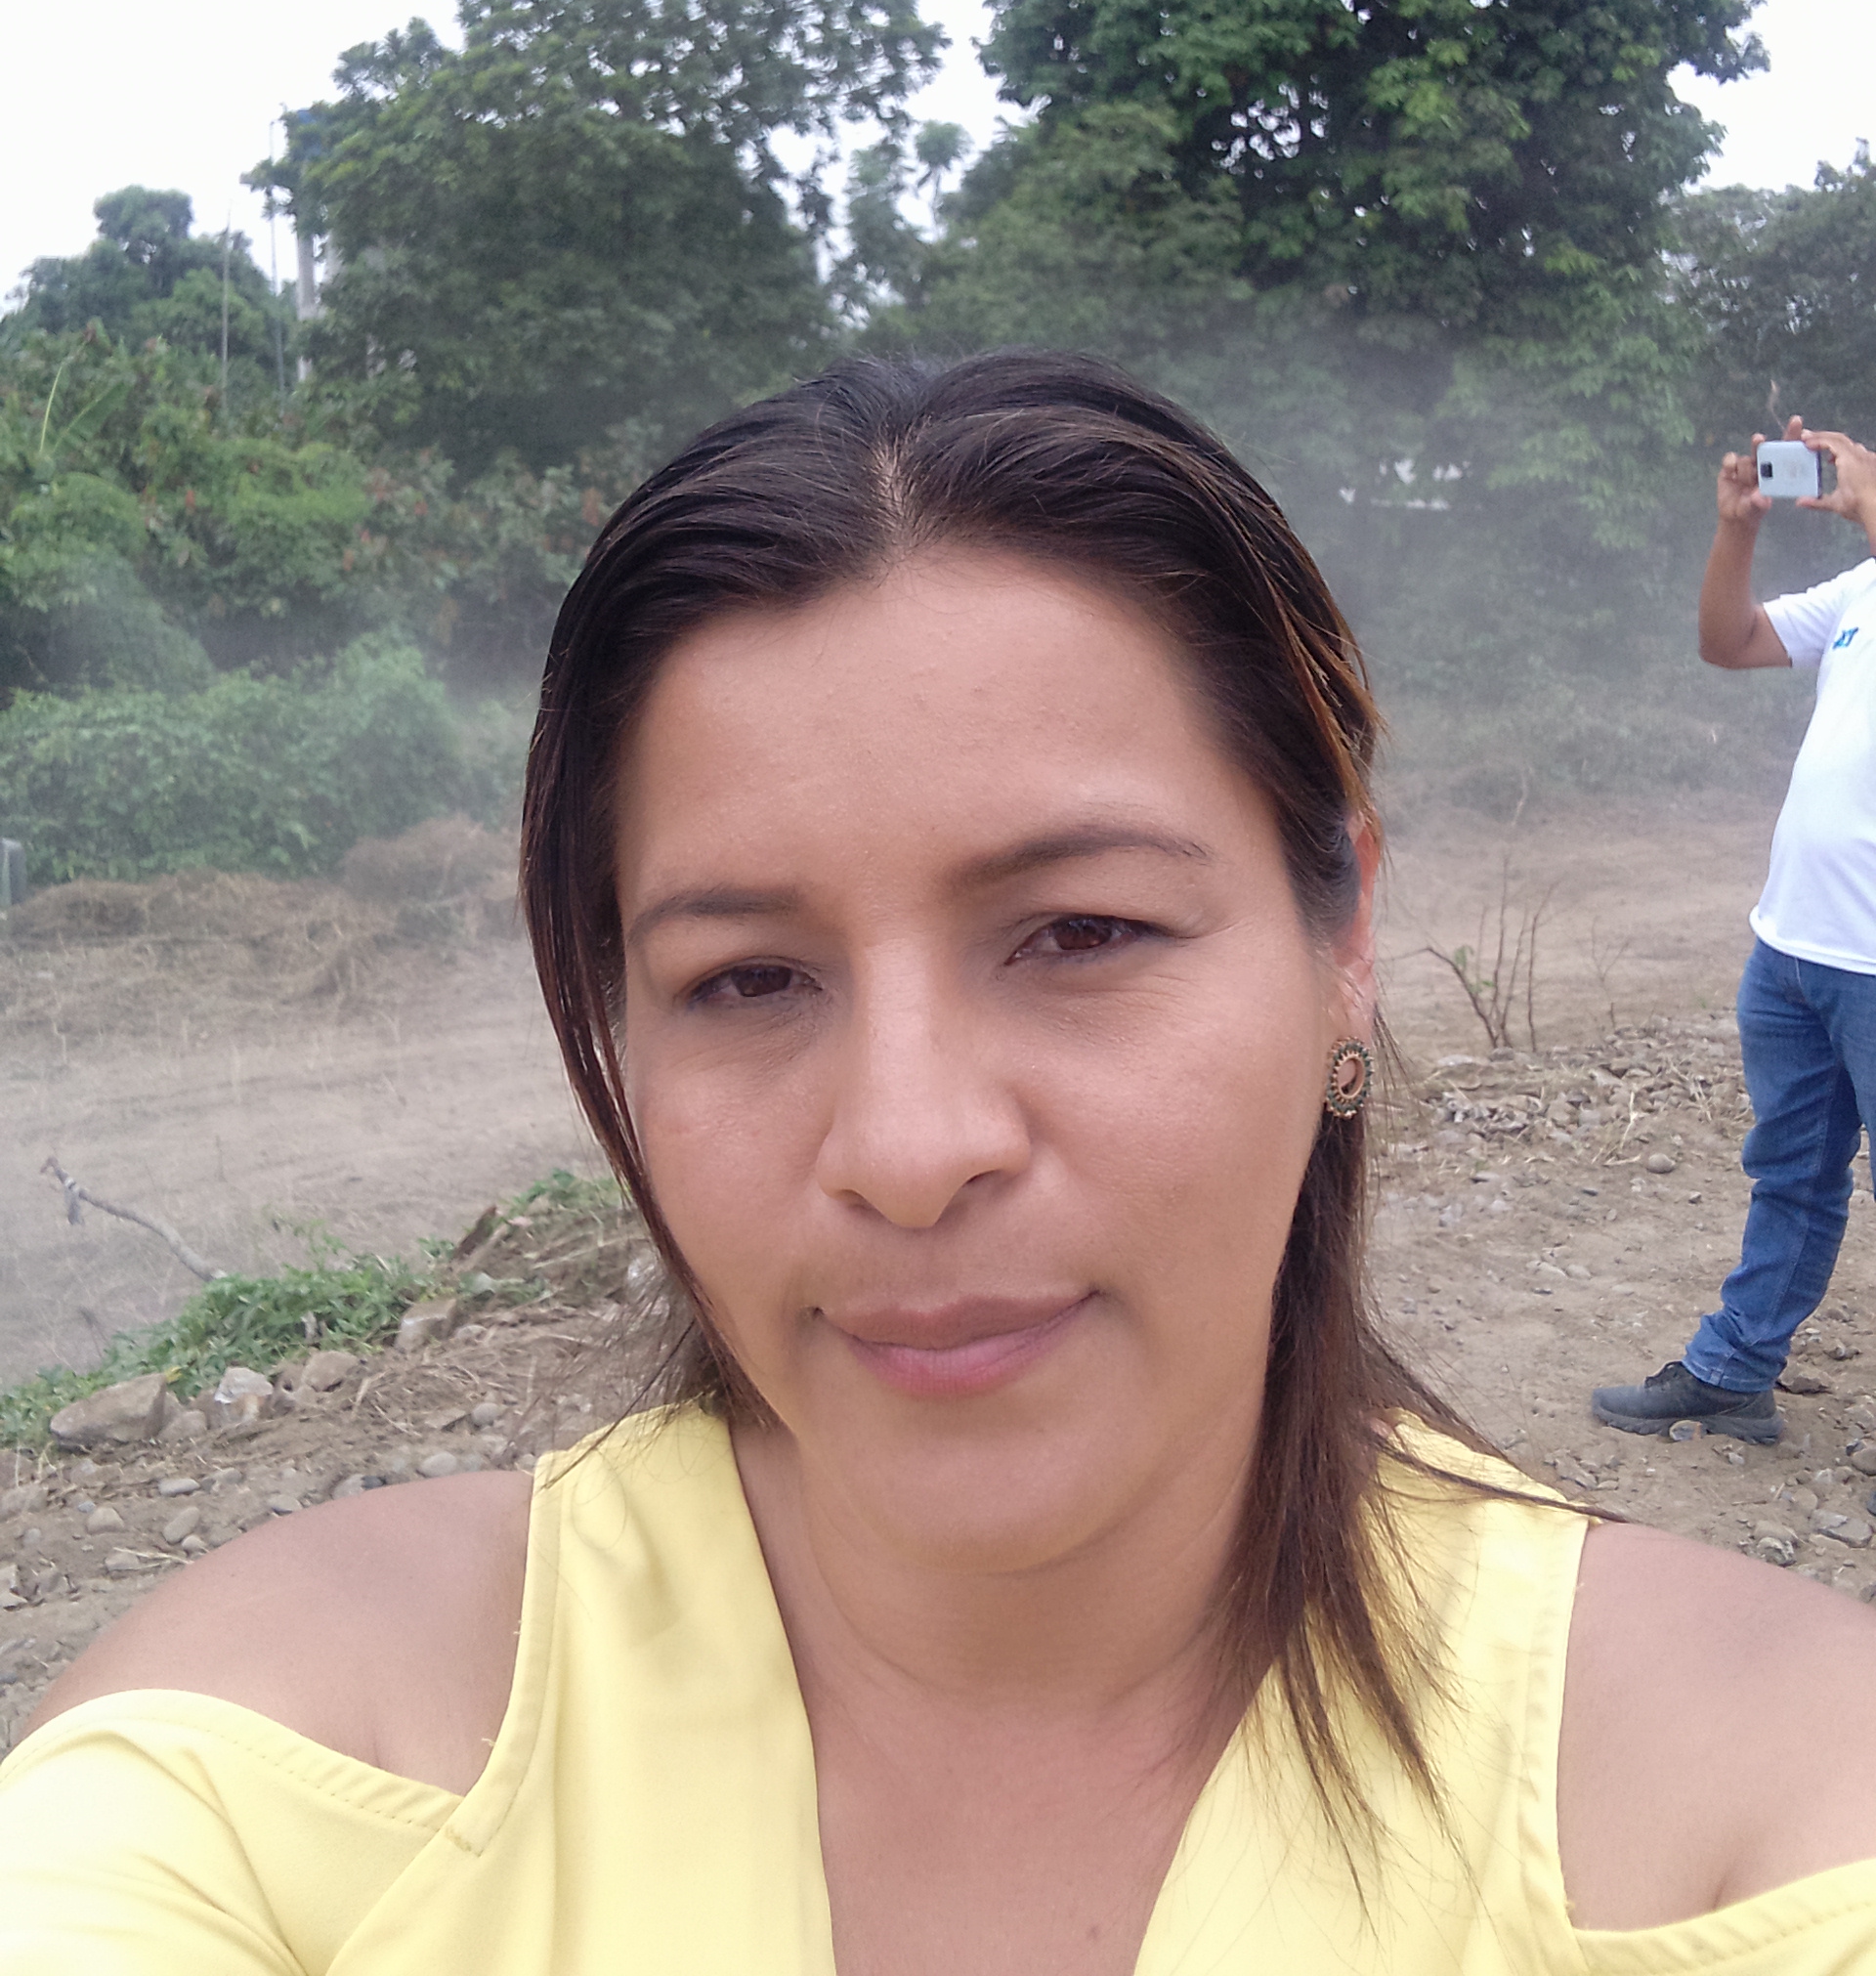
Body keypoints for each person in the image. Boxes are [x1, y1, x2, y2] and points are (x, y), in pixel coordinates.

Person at [6, 354, 1876, 1975]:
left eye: (1083, 933)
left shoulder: (1768, 1809)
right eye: (747, 978)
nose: (908, 1150)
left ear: (1345, 942)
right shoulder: (284, 1756)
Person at [1594, 419, 1876, 1448]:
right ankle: (1733, 1374)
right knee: (1790, 1175)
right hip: (1796, 948)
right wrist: (1738, 529)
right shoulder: (1861, 590)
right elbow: (1730, 641)